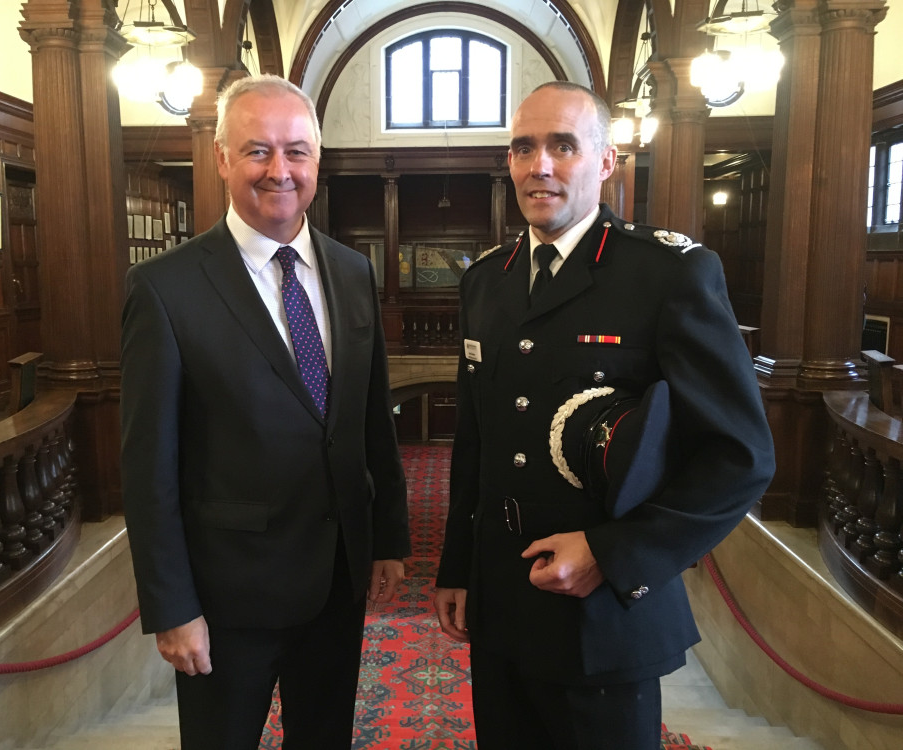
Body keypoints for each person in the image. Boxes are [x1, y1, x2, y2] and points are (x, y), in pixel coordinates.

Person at [433, 81, 776, 749]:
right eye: (523, 148)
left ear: (607, 160)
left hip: (603, 613)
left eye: (564, 146)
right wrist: (457, 567)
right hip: (503, 598)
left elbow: (741, 457)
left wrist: (613, 554)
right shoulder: (486, 280)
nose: (541, 166)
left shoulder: (667, 274)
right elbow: (476, 440)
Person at [120, 74, 411, 750]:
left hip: (337, 580)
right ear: (221, 158)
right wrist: (173, 607)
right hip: (228, 598)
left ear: (319, 159)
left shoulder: (351, 271)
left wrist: (389, 537)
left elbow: (370, 420)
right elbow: (148, 466)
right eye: (257, 151)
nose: (280, 170)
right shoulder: (164, 289)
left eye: (297, 151)